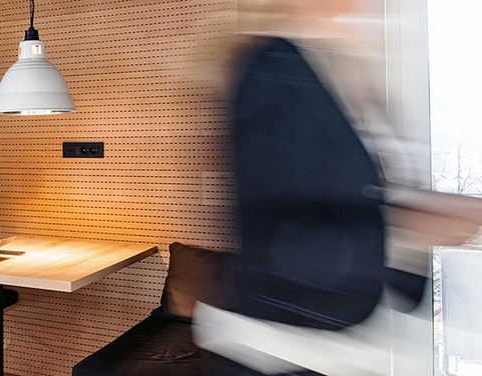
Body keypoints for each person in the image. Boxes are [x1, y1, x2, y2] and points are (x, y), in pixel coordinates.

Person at [193, 1, 482, 374]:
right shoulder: (269, 66)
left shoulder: (337, 67)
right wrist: (406, 226)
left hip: (336, 339)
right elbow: (274, 224)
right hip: (280, 349)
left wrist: (409, 223)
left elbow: (348, 195)